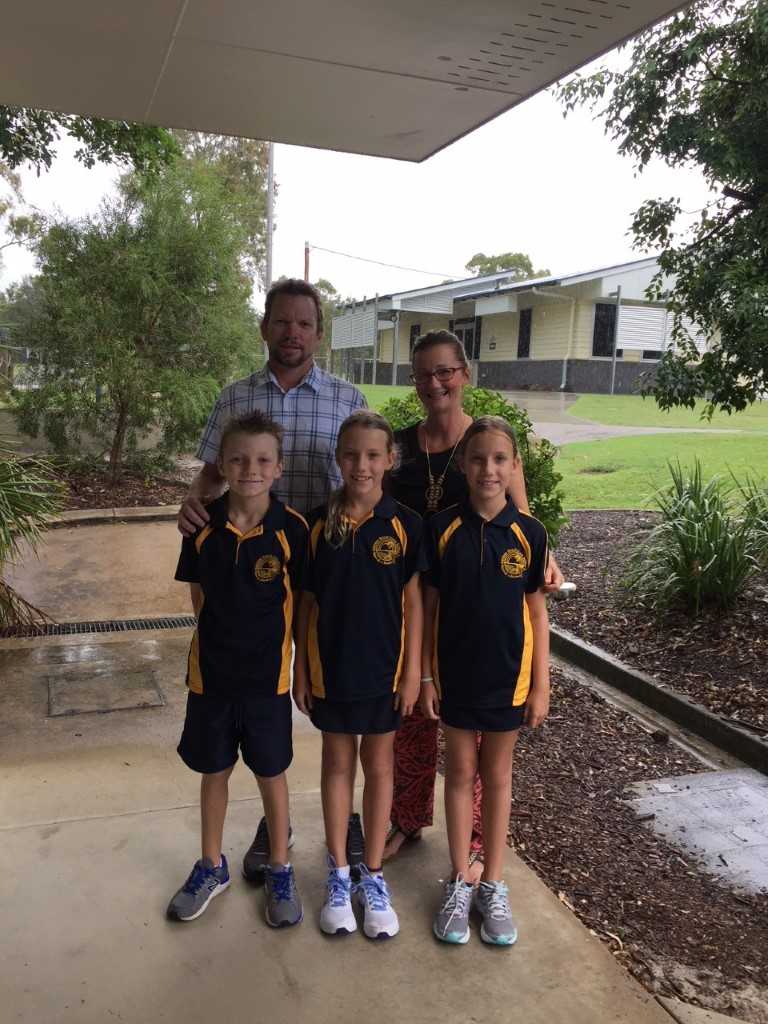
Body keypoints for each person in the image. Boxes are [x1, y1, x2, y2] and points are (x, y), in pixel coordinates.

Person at [177, 278, 367, 878]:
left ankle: (348, 819)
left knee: (341, 694)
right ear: (265, 328)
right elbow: (211, 473)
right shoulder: (235, 398)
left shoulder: (347, 398)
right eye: (281, 322)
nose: (292, 333)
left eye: (304, 324)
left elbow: (371, 472)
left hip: (332, 569)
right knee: (267, 706)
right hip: (253, 576)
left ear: (318, 332)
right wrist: (190, 503)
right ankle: (273, 827)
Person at [384, 330, 563, 881]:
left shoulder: (488, 444)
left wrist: (546, 556)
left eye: (445, 371)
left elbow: (523, 519)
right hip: (412, 602)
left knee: (479, 738)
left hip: (476, 613)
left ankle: (480, 841)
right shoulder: (401, 446)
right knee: (411, 719)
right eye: (422, 373)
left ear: (464, 374)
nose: (433, 383)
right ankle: (406, 817)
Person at [167, 411, 309, 928]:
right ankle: (211, 865)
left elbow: (302, 607)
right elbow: (198, 593)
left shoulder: (293, 530)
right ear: (223, 465)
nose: (251, 468)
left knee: (272, 773)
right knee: (214, 771)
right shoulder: (202, 525)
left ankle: (280, 867)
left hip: (268, 682)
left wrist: (303, 672)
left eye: (263, 459)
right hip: (211, 679)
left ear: (278, 468)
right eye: (239, 459)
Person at [293, 411, 425, 939]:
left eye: (373, 455)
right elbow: (306, 603)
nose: (361, 465)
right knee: (337, 765)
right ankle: (338, 871)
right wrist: (301, 667)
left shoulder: (407, 525)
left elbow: (415, 605)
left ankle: (372, 874)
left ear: (390, 460)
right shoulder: (316, 525)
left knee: (380, 767)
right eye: (351, 454)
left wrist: (415, 672)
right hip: (331, 670)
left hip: (386, 674)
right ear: (337, 459)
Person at [423, 416, 550, 946]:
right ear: (464, 466)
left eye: (500, 459)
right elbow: (428, 610)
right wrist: (428, 675)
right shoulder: (442, 529)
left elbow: (538, 614)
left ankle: (492, 882)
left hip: (510, 680)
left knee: (497, 776)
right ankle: (459, 878)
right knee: (459, 774)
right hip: (455, 679)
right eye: (478, 459)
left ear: (515, 466)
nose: (489, 469)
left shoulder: (530, 533)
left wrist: (540, 684)